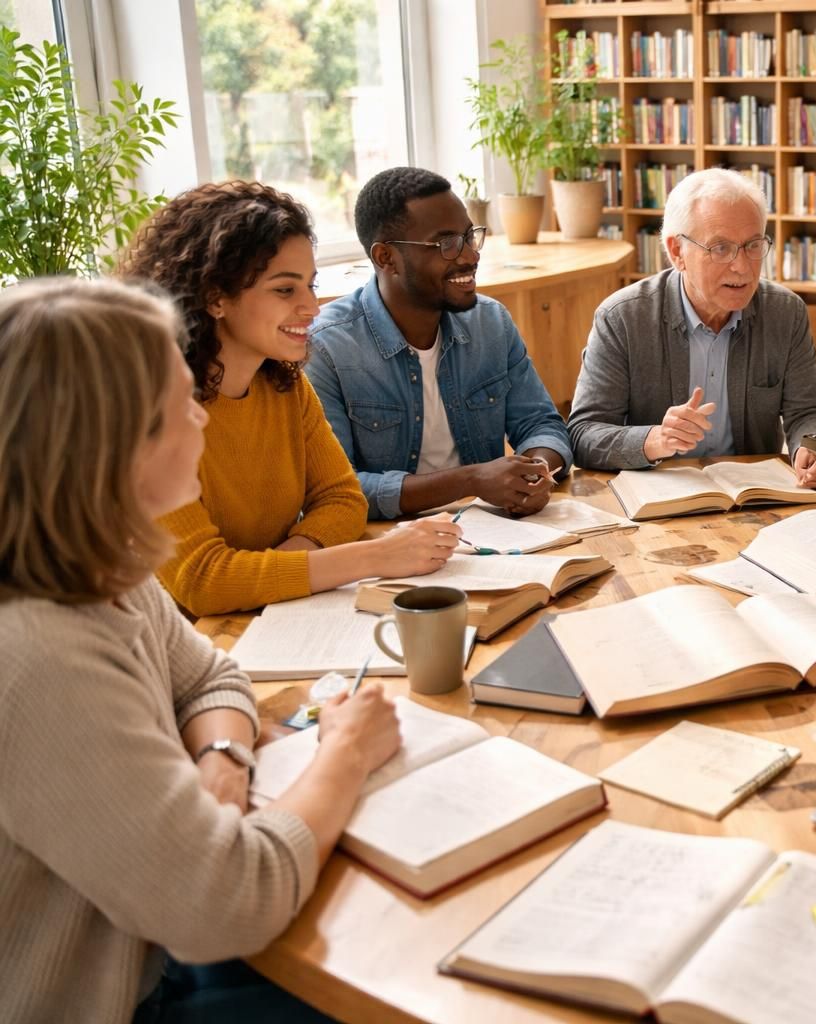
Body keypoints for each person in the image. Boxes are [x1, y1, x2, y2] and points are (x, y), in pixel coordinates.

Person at [0, 277, 405, 1023]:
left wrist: (225, 760)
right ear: (111, 441)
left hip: (157, 943)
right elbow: (230, 903)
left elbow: (211, 675)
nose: (201, 418)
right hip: (127, 995)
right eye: (181, 400)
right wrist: (343, 752)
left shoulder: (104, 564)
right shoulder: (38, 655)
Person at [119, 181, 460, 617]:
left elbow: (343, 499)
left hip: (263, 619)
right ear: (215, 297)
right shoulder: (149, 411)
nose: (312, 307)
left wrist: (279, 570)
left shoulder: (284, 385)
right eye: (285, 290)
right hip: (171, 646)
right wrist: (376, 556)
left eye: (310, 285)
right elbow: (203, 582)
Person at [307, 167, 573, 521]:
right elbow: (336, 489)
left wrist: (536, 471)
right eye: (446, 244)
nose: (469, 256)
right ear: (386, 258)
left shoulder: (490, 322)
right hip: (388, 543)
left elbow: (541, 423)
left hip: (498, 531)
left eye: (469, 236)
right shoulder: (327, 348)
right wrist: (472, 480)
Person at [567, 168, 816, 487]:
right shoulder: (622, 318)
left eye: (753, 245)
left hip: (754, 495)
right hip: (657, 496)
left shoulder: (785, 312)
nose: (741, 266)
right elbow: (583, 434)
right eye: (720, 248)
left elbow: (811, 411)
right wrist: (654, 439)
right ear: (677, 252)